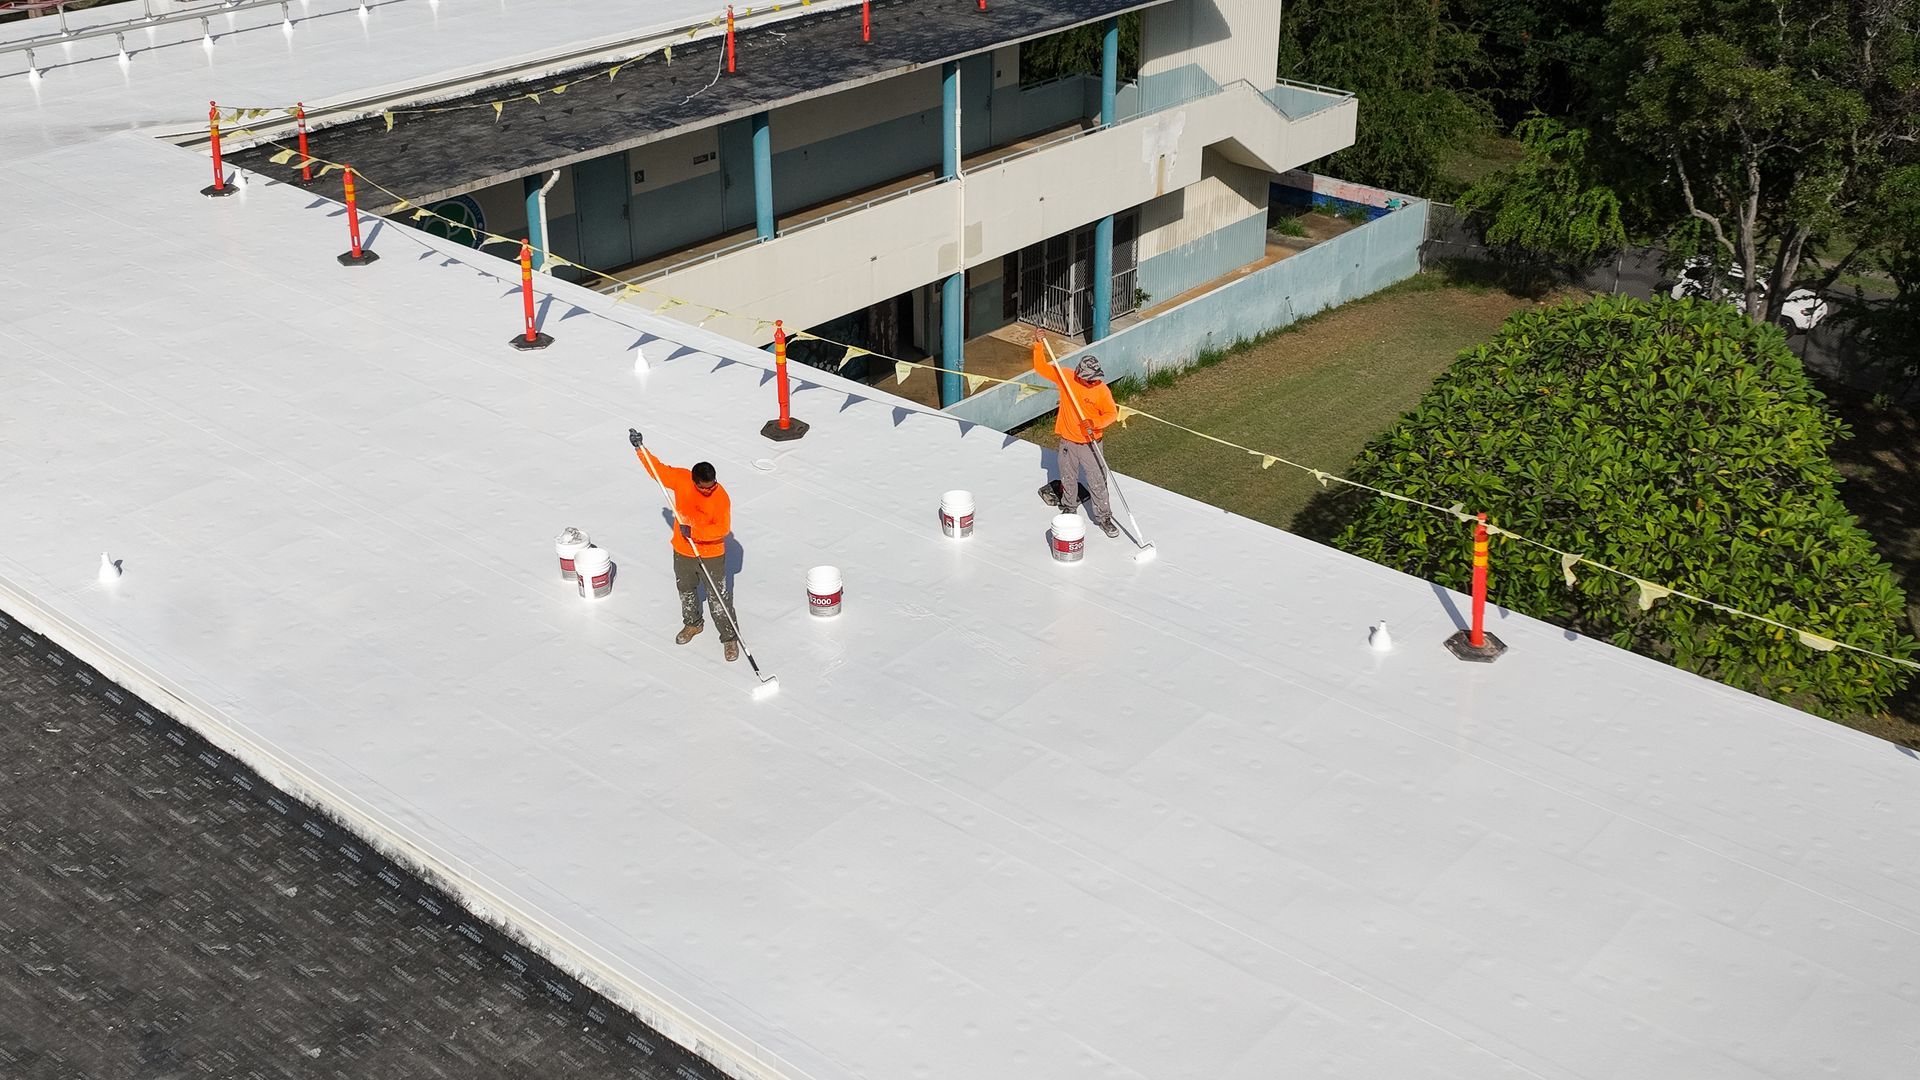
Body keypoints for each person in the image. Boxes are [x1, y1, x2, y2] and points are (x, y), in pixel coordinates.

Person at [629, 428, 739, 662]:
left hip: (711, 554)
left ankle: (729, 637)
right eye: (704, 487)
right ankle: (692, 624)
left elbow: (722, 529)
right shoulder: (681, 479)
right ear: (694, 480)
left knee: (718, 597)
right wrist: (640, 449)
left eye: (712, 485)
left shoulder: (721, 496)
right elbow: (657, 471)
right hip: (683, 551)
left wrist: (695, 531)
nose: (709, 490)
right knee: (686, 591)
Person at [1032, 344, 1121, 537]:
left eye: (1095, 379)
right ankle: (1069, 507)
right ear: (1080, 375)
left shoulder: (1102, 390)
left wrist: (1095, 423)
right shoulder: (1067, 378)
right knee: (1068, 476)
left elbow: (1111, 414)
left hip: (1091, 443)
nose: (1093, 382)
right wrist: (1039, 345)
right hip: (1068, 442)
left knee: (1097, 481)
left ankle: (1104, 517)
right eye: (1089, 380)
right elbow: (1041, 367)